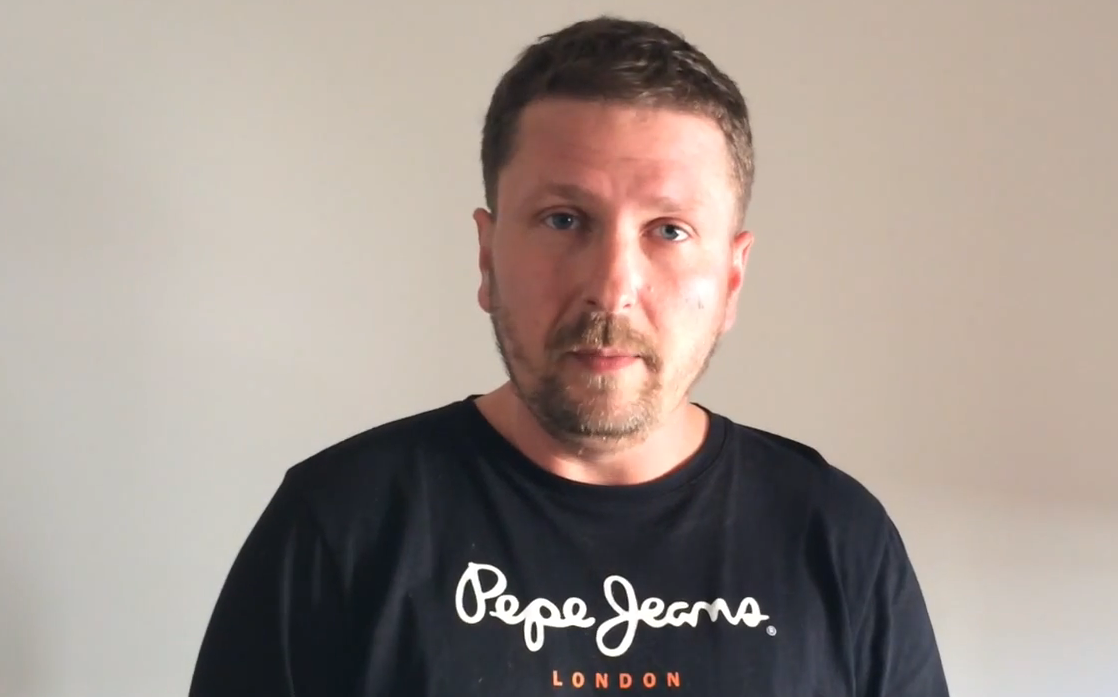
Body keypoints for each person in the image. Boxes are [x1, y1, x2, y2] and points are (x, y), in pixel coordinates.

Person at [188, 15, 949, 697]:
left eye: (669, 230)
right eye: (562, 219)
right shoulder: (338, 526)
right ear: (487, 257)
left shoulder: (837, 540)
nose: (610, 287)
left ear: (730, 278)